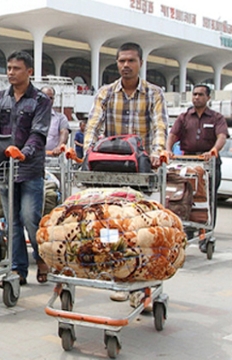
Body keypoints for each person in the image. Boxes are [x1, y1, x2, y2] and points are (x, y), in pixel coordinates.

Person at [84, 42, 168, 303]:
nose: (125, 65)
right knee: (111, 227)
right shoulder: (106, 93)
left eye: (131, 60)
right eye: (121, 61)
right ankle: (119, 276)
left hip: (140, 171)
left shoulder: (154, 93)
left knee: (140, 228)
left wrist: (158, 152)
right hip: (110, 170)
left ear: (140, 63)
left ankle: (140, 285)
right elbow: (94, 124)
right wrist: (88, 152)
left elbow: (160, 126)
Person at [0, 51, 51, 285]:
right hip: (5, 171)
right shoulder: (0, 98)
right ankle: (17, 271)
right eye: (9, 68)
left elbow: (38, 133)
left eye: (17, 68)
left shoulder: (41, 100)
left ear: (29, 72)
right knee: (12, 221)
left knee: (30, 217)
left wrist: (25, 153)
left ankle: (42, 257)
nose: (11, 73)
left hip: (30, 169)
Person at [166, 84, 228, 236]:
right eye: (194, 94)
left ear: (208, 97)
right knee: (186, 194)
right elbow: (173, 135)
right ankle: (189, 227)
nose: (196, 97)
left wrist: (214, 150)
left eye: (200, 95)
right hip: (189, 162)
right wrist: (168, 149)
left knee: (209, 196)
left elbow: (222, 136)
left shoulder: (216, 118)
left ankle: (207, 229)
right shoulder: (184, 117)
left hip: (209, 163)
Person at [42, 86, 70, 155]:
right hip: (33, 157)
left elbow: (64, 132)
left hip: (52, 158)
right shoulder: (31, 116)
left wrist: (59, 147)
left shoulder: (60, 118)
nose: (48, 100)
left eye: (51, 98)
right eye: (45, 97)